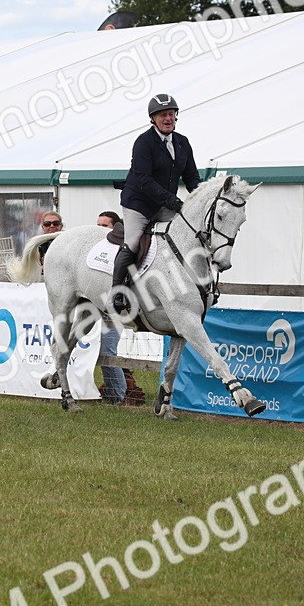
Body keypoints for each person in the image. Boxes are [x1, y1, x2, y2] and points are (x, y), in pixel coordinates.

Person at [111, 93, 201, 313]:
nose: (168, 118)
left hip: (164, 204)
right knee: (132, 243)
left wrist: (199, 196)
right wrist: (172, 201)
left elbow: (191, 176)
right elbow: (144, 180)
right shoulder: (143, 143)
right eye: (163, 115)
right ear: (153, 118)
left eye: (171, 114)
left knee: (187, 234)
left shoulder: (182, 142)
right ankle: (117, 292)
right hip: (139, 203)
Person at [95, 211, 127, 404]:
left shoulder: (122, 252)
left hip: (114, 308)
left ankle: (118, 396)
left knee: (107, 351)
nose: (99, 230)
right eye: (97, 225)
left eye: (103, 226)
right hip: (95, 304)